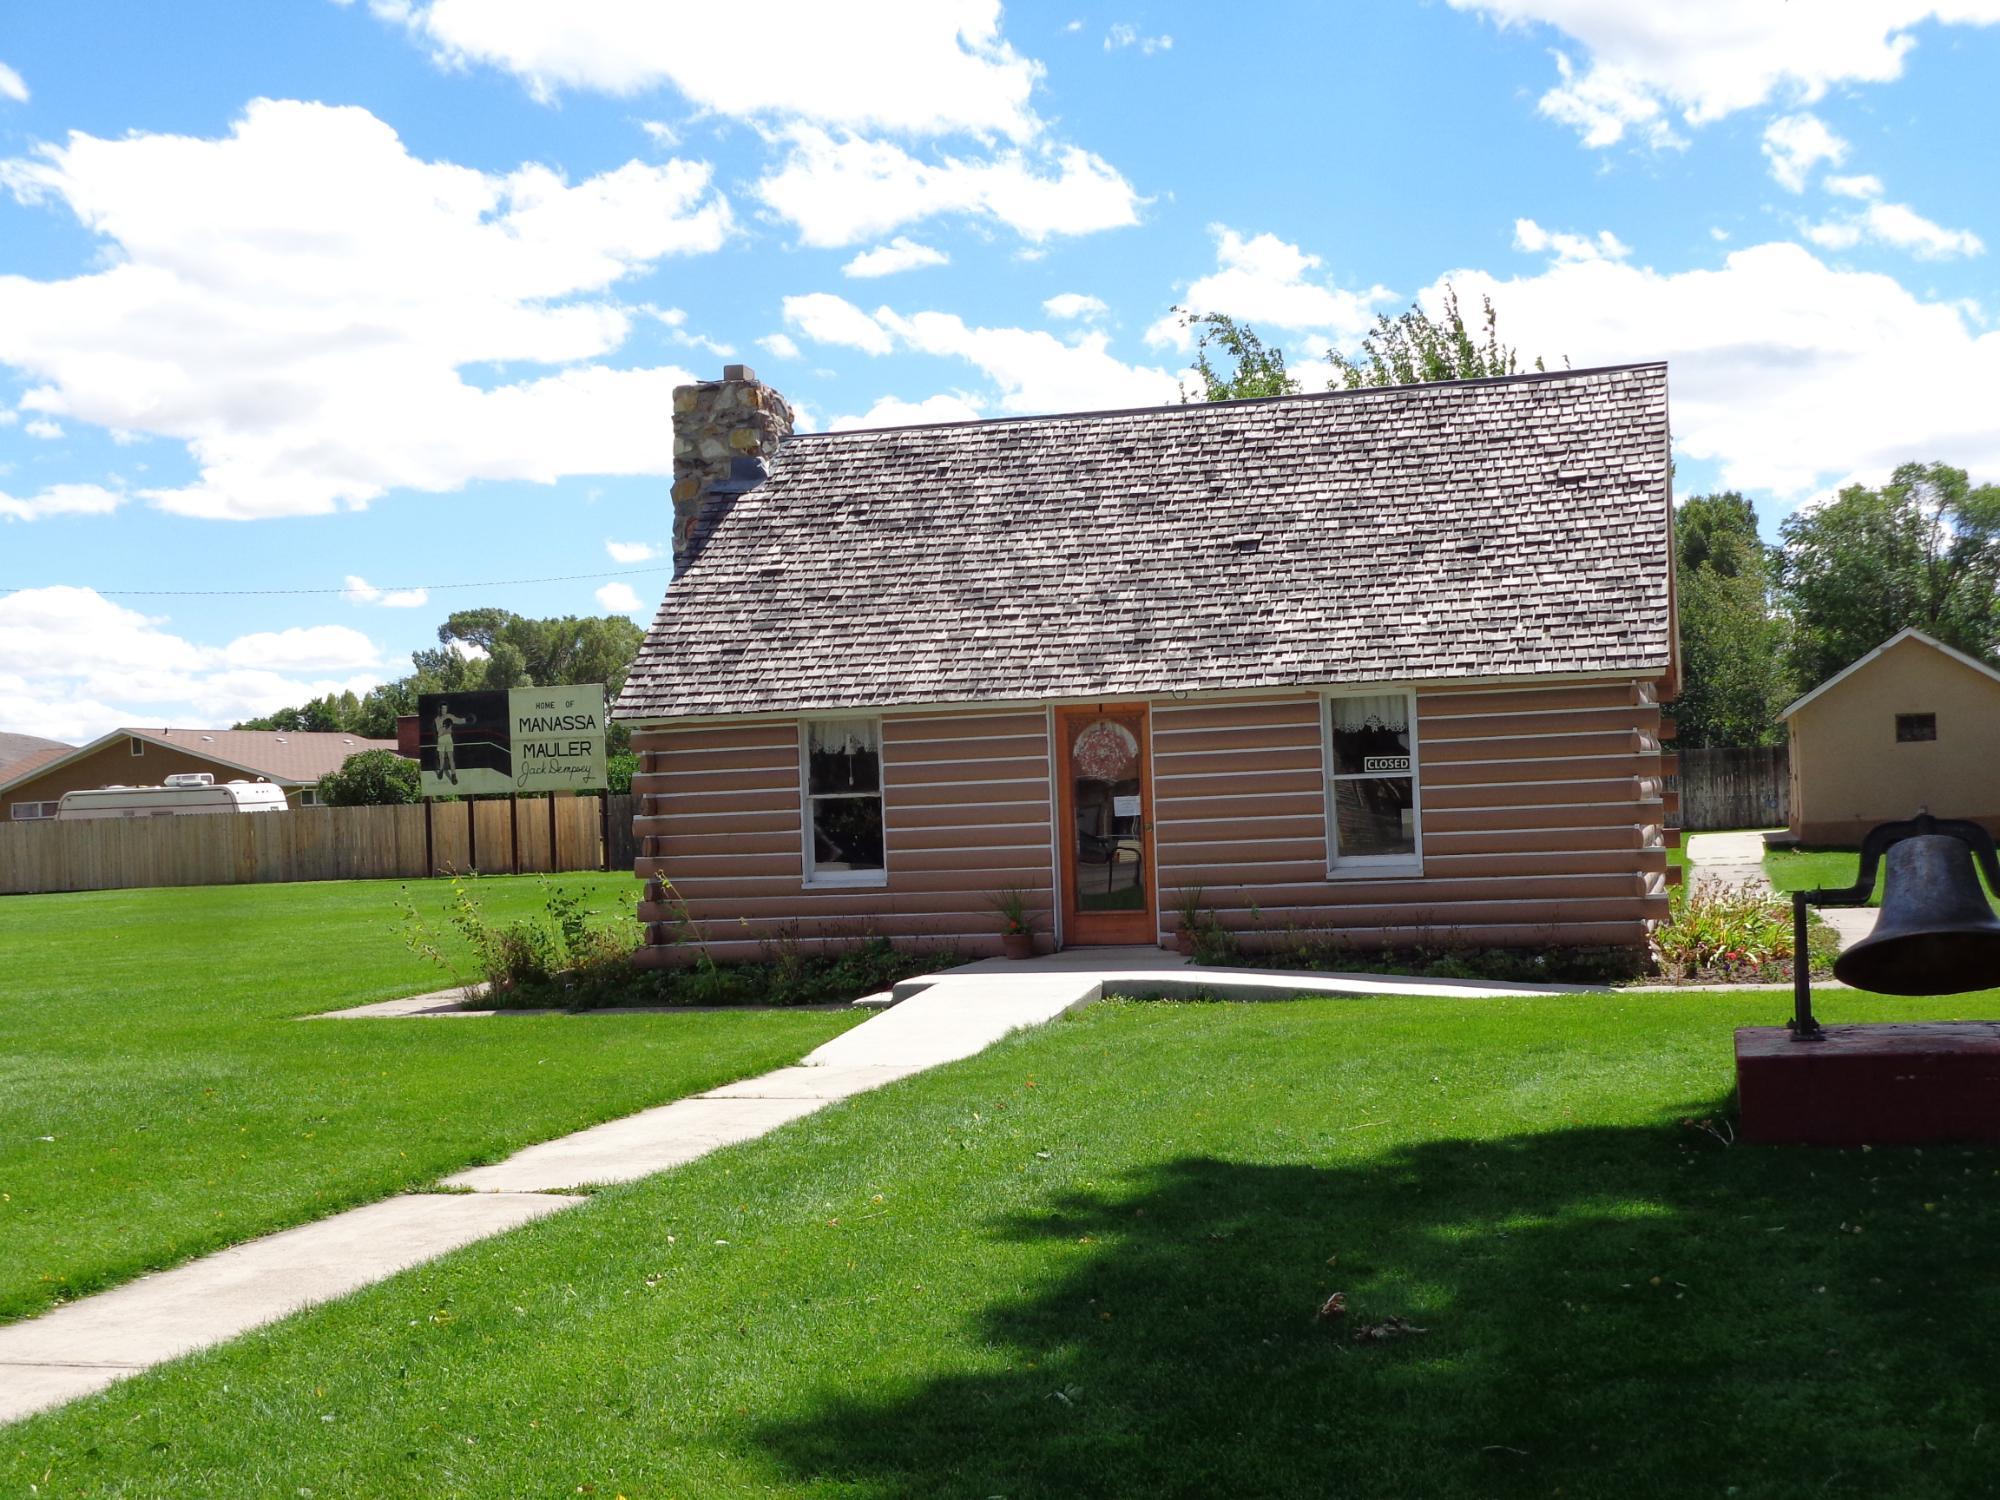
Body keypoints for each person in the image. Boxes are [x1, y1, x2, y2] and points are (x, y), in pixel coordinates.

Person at [433, 703, 471, 786]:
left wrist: (466, 720)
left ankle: (454, 776)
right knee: (441, 757)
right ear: (440, 709)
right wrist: (445, 726)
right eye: (443, 708)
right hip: (441, 739)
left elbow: (458, 720)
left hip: (448, 738)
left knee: (451, 758)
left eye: (445, 708)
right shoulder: (437, 719)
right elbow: (439, 732)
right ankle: (441, 770)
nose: (444, 710)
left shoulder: (449, 716)